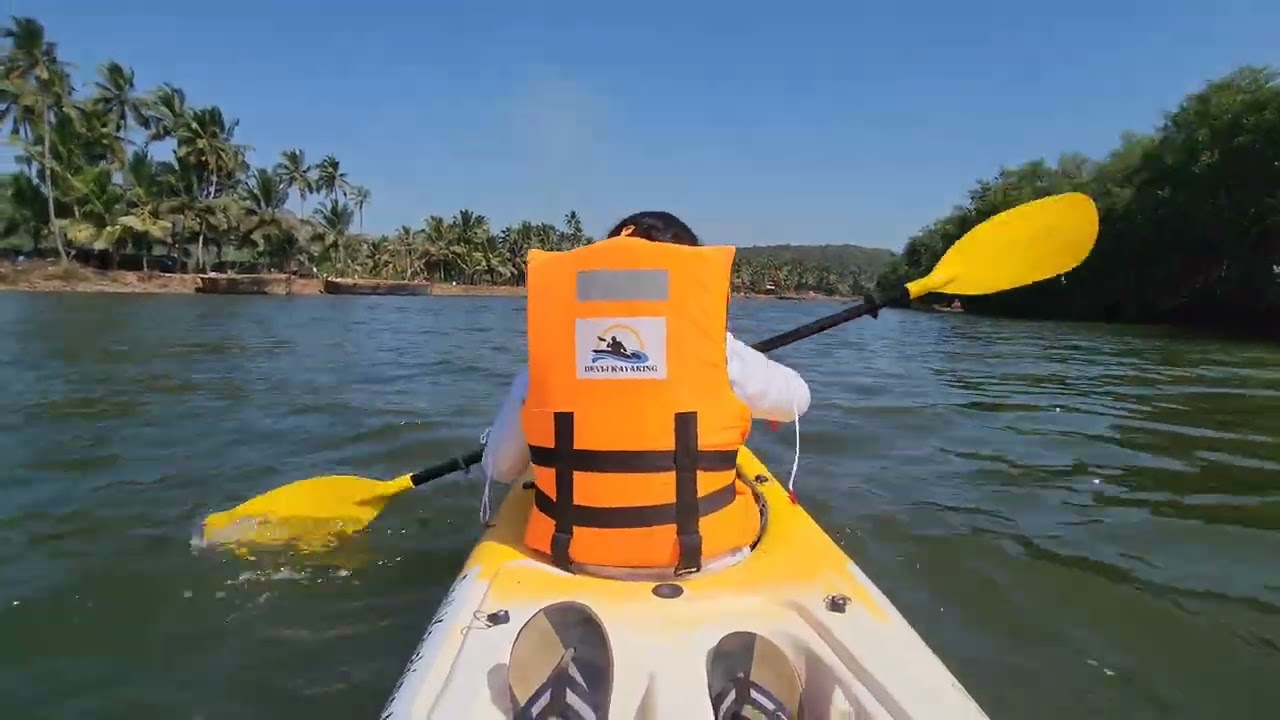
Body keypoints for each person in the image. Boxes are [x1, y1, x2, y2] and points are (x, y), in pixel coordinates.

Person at [489, 210, 809, 720]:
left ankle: (565, 697)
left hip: (575, 558)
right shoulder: (721, 352)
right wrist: (726, 353)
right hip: (706, 559)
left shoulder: (543, 358)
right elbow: (797, 399)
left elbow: (503, 467)